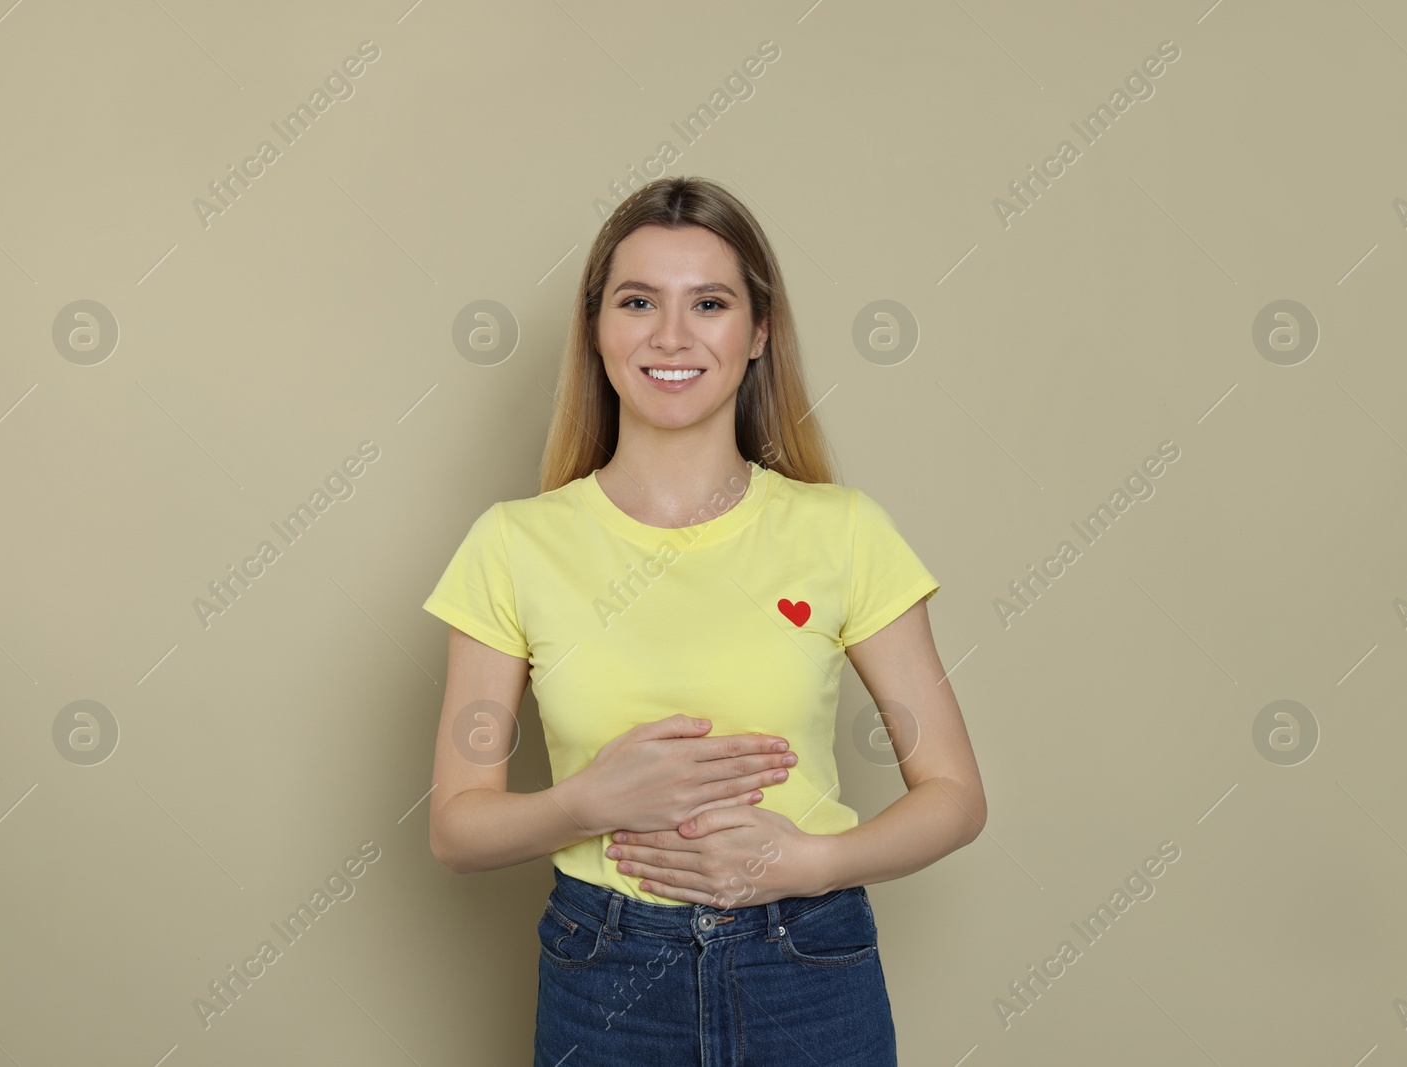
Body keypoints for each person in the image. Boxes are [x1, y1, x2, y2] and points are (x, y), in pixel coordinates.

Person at [423, 175, 986, 1065]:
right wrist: (590, 800)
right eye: (638, 301)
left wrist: (811, 864)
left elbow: (955, 796)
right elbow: (456, 825)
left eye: (710, 303)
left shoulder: (843, 531)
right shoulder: (513, 545)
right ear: (597, 330)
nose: (672, 336)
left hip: (810, 962)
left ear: (758, 332)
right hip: (604, 973)